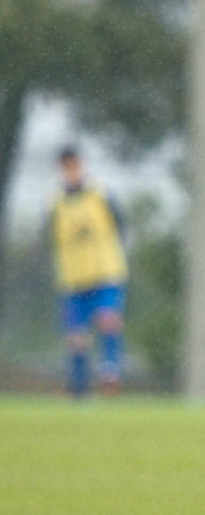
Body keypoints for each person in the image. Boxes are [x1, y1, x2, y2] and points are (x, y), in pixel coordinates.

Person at [48, 145, 129, 398]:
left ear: (81, 165)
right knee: (76, 336)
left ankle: (110, 373)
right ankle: (79, 388)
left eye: (74, 165)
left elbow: (121, 223)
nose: (71, 171)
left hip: (105, 272)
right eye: (66, 167)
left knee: (108, 319)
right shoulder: (56, 201)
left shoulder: (100, 194)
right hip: (73, 278)